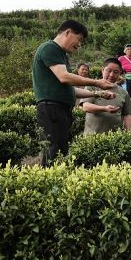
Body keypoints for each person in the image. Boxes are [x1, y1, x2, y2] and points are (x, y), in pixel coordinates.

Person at [32, 19, 115, 165]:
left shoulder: (61, 55)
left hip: (59, 110)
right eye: (79, 39)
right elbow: (64, 77)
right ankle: (48, 185)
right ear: (67, 32)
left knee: (61, 150)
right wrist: (96, 82)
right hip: (52, 109)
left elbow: (70, 89)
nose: (79, 45)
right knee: (54, 151)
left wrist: (98, 93)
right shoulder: (49, 48)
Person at [80, 58, 131, 133]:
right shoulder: (91, 87)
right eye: (109, 71)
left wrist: (129, 133)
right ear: (102, 70)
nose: (111, 75)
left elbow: (127, 115)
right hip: (92, 138)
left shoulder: (123, 92)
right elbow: (86, 107)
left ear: (120, 73)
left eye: (116, 72)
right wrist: (104, 109)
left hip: (115, 138)